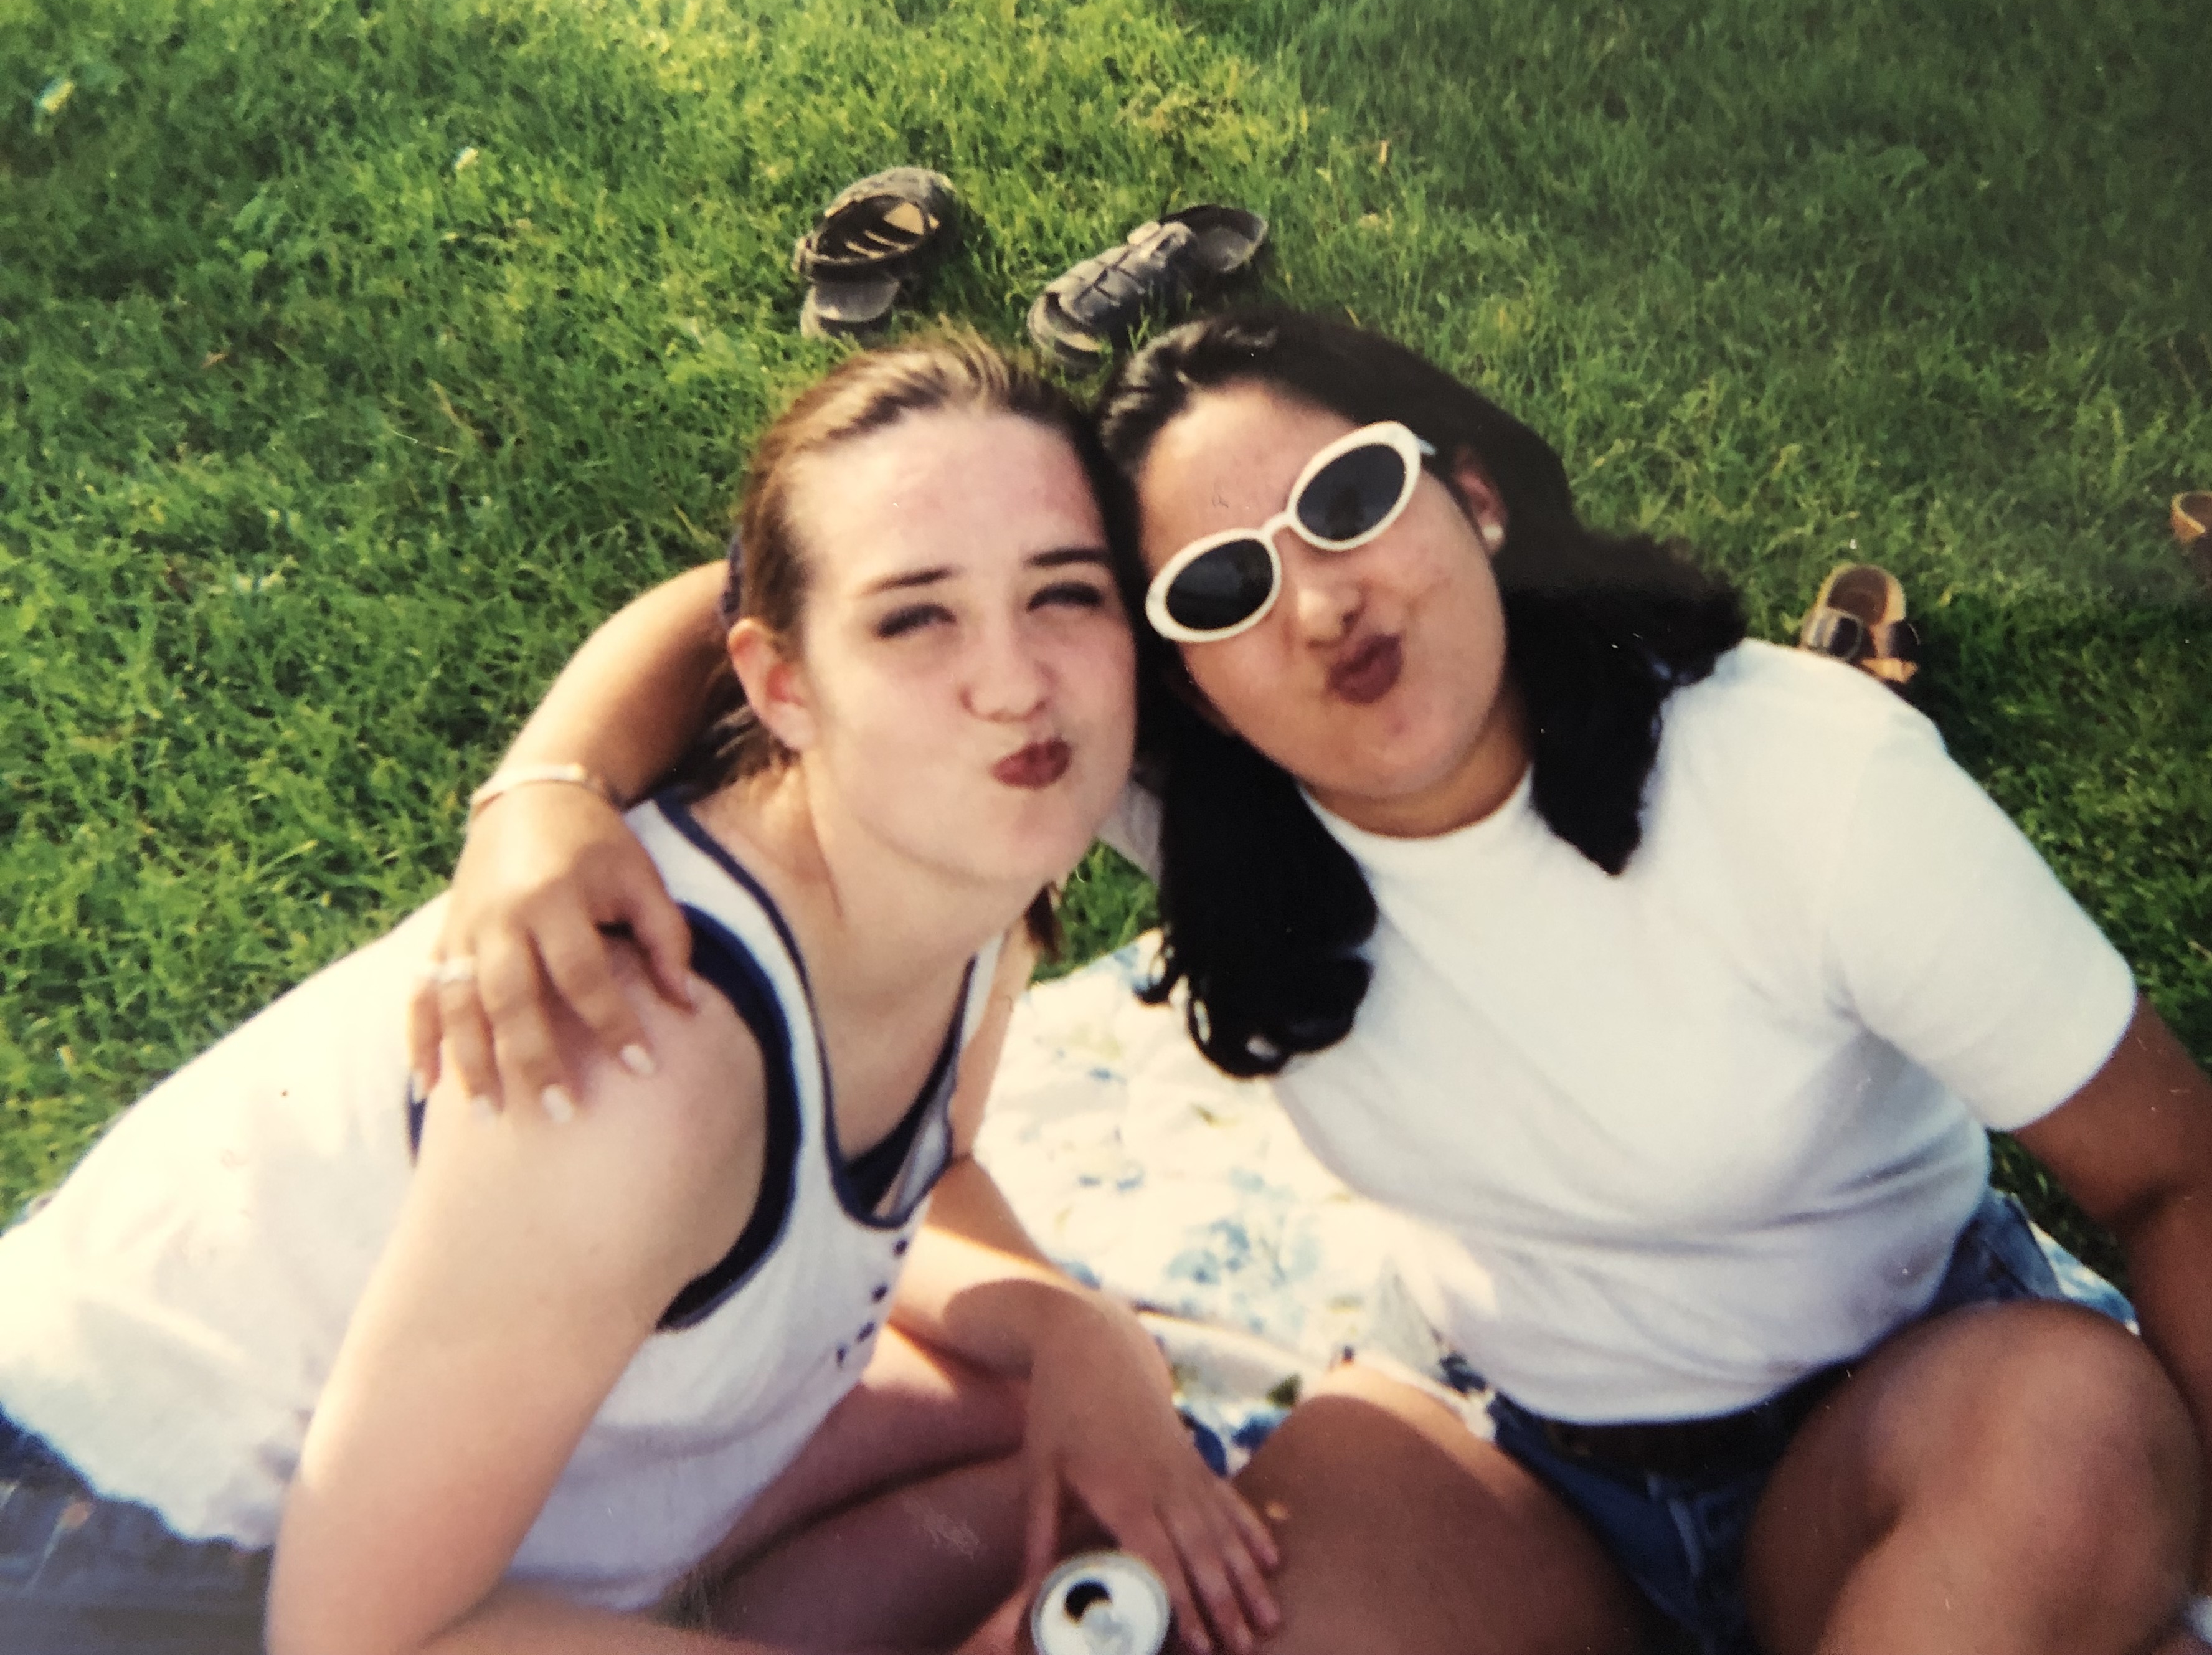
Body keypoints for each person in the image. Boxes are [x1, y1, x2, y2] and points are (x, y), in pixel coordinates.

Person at [419, 310, 2212, 1655]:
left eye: (1348, 502)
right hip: (1515, 1464)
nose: (1315, 604)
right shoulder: (1213, 805)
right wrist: (543, 799)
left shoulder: (1806, 783)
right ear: (1178, 670)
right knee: (1146, 1628)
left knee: (2070, 1441)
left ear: (1470, 490)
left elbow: (2181, 1182)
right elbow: (769, 597)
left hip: (1903, 1423)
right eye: (1220, 590)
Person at [0, 334, 1282, 1655]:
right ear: (784, 684)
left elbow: (917, 1182)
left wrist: (1072, 1334)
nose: (1014, 684)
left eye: (1063, 595)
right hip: (115, 1557)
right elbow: (358, 1636)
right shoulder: (649, 1063)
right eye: (915, 617)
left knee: (1078, 1472)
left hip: (458, 1514)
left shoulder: (967, 884)